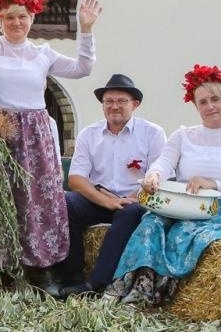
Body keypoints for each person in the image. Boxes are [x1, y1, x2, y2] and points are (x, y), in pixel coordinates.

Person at [108, 64, 221, 308]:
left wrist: (213, 184)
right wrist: (153, 177)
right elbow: (164, 163)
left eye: (215, 99)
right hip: (182, 206)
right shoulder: (184, 136)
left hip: (219, 210)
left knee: (185, 233)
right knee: (150, 223)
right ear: (196, 106)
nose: (210, 106)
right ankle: (137, 286)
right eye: (202, 102)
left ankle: (159, 294)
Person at [0, 0, 101, 285]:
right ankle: (4, 268)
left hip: (35, 136)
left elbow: (82, 68)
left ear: (32, 18)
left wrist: (85, 30)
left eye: (22, 16)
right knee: (3, 197)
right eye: (9, 16)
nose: (16, 23)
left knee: (38, 198)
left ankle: (40, 268)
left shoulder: (42, 54)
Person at [56, 74, 167, 297]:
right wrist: (108, 201)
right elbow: (76, 179)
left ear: (134, 104)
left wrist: (135, 197)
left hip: (136, 202)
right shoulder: (89, 134)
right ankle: (72, 279)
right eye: (108, 101)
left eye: (121, 101)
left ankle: (95, 284)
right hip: (100, 199)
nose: (114, 106)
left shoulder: (153, 133)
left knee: (129, 213)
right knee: (66, 202)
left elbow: (161, 174)